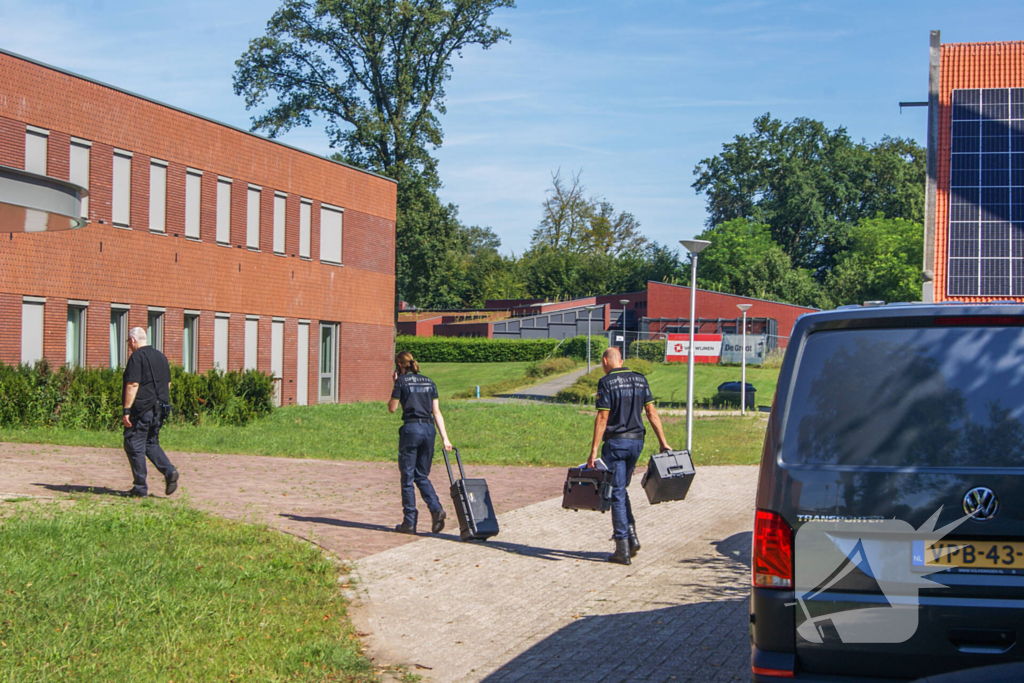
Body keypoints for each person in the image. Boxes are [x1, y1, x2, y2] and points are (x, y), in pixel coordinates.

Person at [588, 347, 671, 565]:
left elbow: (603, 418)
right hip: (637, 442)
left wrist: (594, 450)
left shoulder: (606, 382)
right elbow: (652, 413)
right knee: (621, 489)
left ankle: (622, 547)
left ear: (605, 361)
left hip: (616, 444)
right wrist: (663, 442)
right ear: (621, 360)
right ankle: (632, 538)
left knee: (615, 492)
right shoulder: (640, 380)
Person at [387, 351, 451, 535]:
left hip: (411, 430)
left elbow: (392, 408)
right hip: (429, 431)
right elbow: (436, 412)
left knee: (407, 476)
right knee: (421, 475)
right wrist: (445, 438)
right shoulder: (429, 382)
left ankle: (409, 522)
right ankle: (436, 508)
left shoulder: (401, 382)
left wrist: (395, 384)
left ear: (399, 365)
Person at [122, 327, 178, 498]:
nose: (129, 347)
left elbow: (133, 384)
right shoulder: (161, 356)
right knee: (150, 443)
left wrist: (126, 410)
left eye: (128, 343)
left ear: (132, 341)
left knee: (134, 444)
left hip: (142, 410)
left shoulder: (136, 357)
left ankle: (140, 487)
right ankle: (169, 471)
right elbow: (167, 384)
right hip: (160, 409)